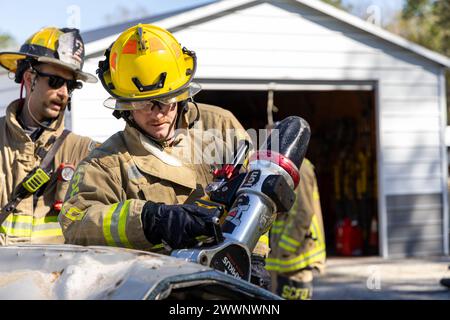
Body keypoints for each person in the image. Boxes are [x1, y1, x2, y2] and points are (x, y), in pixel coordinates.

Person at [59, 24, 270, 287]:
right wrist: (149, 219)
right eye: (141, 103)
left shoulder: (221, 127)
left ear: (181, 95)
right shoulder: (107, 162)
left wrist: (256, 257)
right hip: (152, 287)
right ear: (124, 107)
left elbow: (256, 196)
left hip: (225, 282)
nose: (156, 113)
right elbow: (76, 223)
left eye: (165, 100)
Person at [0, 27, 98, 245]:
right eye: (55, 81)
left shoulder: (85, 152)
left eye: (70, 85)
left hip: (52, 277)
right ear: (29, 78)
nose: (63, 92)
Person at [266, 158, 326, 299]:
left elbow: (303, 213)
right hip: (281, 259)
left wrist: (284, 249)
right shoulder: (279, 164)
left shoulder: (301, 167)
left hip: (296, 258)